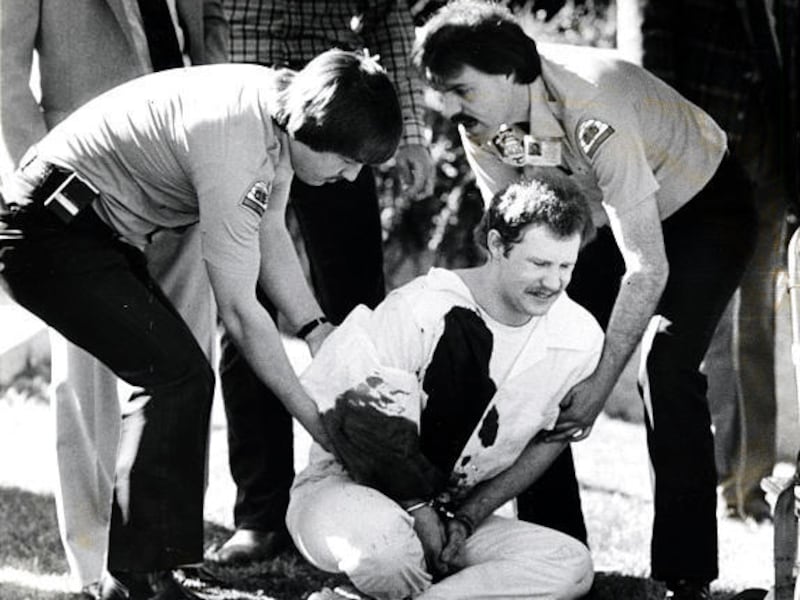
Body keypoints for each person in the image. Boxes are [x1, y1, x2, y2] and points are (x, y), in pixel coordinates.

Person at [0, 49, 402, 600]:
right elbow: (239, 311)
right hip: (47, 230)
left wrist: (315, 327)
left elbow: (270, 235)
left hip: (89, 231)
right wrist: (322, 426)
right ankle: (140, 577)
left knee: (180, 374)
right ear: (311, 132)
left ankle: (161, 568)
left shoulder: (279, 109)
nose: (352, 176)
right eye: (348, 160)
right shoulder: (239, 142)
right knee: (175, 374)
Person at [411, 1, 757, 598]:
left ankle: (685, 576)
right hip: (599, 221)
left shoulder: (590, 101)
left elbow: (647, 269)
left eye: (459, 89)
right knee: (540, 361)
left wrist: (598, 389)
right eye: (440, 93)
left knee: (665, 365)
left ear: (507, 71)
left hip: (704, 208)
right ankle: (559, 556)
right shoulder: (481, 127)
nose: (448, 109)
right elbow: (524, 250)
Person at [0, 1, 227, 594]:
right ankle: (100, 556)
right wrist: (45, 183)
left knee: (185, 358)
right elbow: (3, 71)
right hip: (81, 191)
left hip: (187, 174)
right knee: (90, 374)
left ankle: (169, 548)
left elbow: (207, 37)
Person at [287, 176, 602, 600]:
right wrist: (417, 510)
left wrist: (467, 518)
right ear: (496, 244)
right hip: (350, 491)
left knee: (570, 564)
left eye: (566, 267)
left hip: (448, 511)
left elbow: (551, 439)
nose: (553, 283)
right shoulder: (422, 305)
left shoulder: (579, 335)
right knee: (388, 552)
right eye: (539, 264)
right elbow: (355, 421)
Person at [207, 0, 435, 565]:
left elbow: (390, 16)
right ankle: (260, 512)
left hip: (342, 113)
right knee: (244, 311)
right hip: (254, 111)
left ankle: (373, 494)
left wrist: (407, 128)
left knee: (358, 316)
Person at [635, 0, 800, 523]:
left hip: (772, 172)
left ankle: (754, 488)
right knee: (697, 333)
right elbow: (654, 69)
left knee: (757, 328)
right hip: (701, 172)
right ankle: (706, 479)